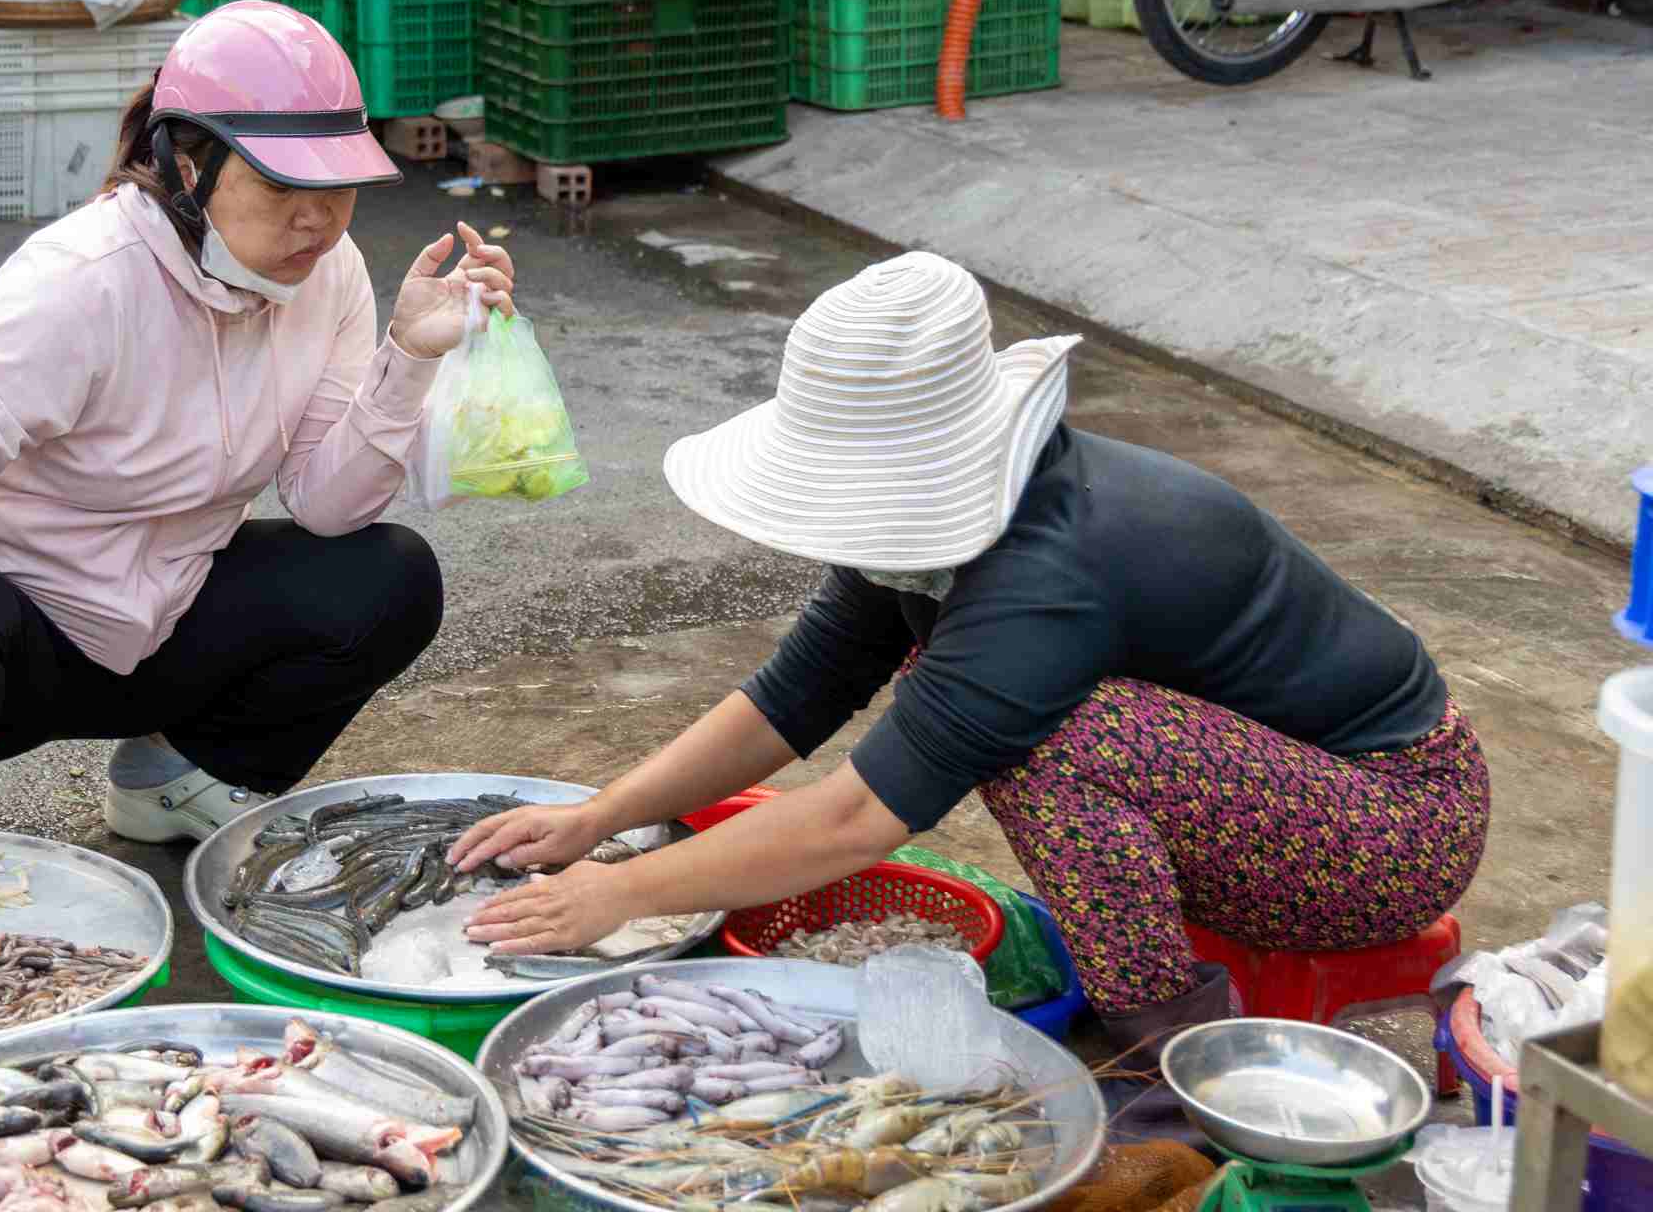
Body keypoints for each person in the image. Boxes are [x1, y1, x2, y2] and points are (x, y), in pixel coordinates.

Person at [451, 250, 1488, 1073]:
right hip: (1275, 791)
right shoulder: (926, 532)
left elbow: (860, 816)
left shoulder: (1047, 574)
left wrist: (619, 894)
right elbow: (793, 693)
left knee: (1059, 741)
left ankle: (1171, 1047)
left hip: (1394, 823)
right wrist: (603, 815)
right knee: (990, 709)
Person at [0, 1, 516, 842]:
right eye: (282, 185)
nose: (317, 221)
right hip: (20, 635)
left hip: (172, 621)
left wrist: (409, 354)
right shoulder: (87, 277)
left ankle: (172, 780)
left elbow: (328, 507)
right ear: (188, 162)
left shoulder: (334, 276)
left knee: (391, 575)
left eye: (339, 188)